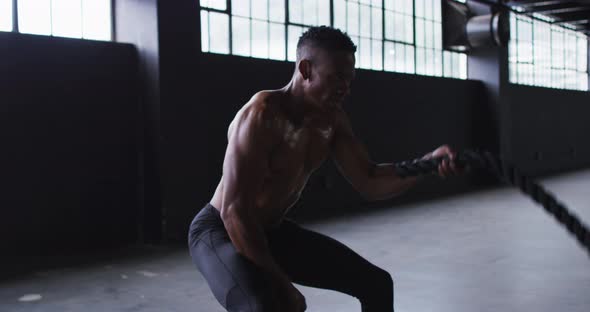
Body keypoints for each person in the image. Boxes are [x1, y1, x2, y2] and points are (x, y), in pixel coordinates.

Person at [188, 26, 462, 312]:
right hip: (221, 230)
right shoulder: (261, 115)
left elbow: (370, 180)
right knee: (264, 305)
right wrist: (282, 285)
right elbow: (235, 213)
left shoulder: (332, 121)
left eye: (349, 79)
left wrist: (428, 164)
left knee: (376, 283)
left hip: (270, 230)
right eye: (337, 78)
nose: (345, 88)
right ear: (305, 69)